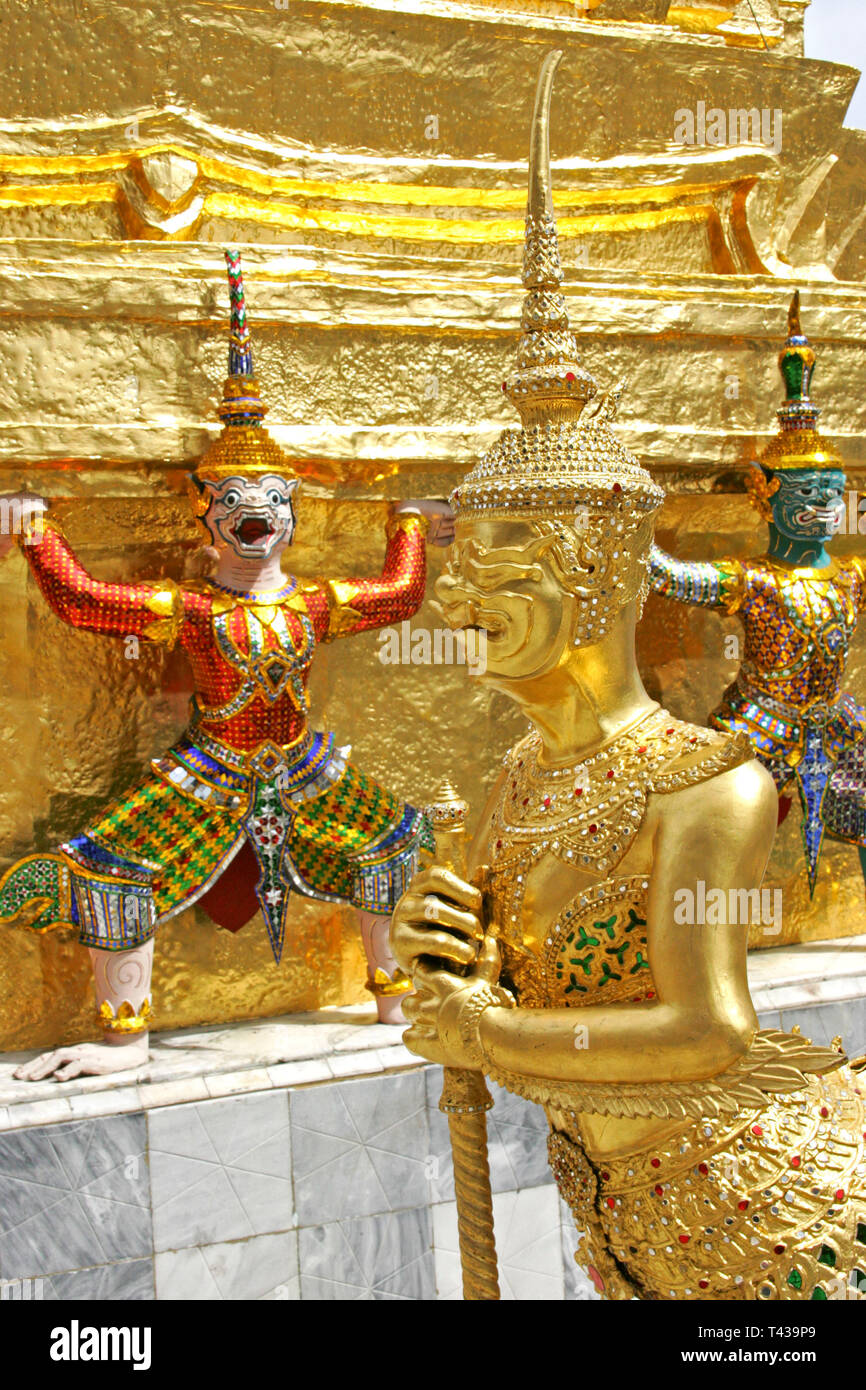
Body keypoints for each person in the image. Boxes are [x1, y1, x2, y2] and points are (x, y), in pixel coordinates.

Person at [390, 52, 866, 1301]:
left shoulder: (708, 785)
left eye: (494, 561)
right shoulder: (508, 783)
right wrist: (438, 953)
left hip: (762, 1221)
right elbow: (489, 977)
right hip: (619, 1216)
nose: (456, 598)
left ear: (596, 572)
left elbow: (709, 1032)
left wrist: (487, 1031)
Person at [0, 250, 452, 1080]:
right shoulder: (192, 609)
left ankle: (393, 1000)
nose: (259, 513)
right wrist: (37, 532)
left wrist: (412, 526)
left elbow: (397, 596)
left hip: (305, 765)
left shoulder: (314, 603)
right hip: (210, 768)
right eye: (237, 498)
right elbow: (87, 602)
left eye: (274, 499)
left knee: (389, 842)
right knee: (110, 868)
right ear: (205, 514)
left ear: (293, 514)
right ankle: (124, 1039)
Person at [650, 294, 866, 896]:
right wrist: (625, 520)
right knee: (723, 833)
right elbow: (669, 576)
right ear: (765, 492)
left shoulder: (851, 574)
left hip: (835, 721)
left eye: (834, 488)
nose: (825, 504)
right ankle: (712, 946)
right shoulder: (754, 580)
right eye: (809, 489)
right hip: (757, 725)